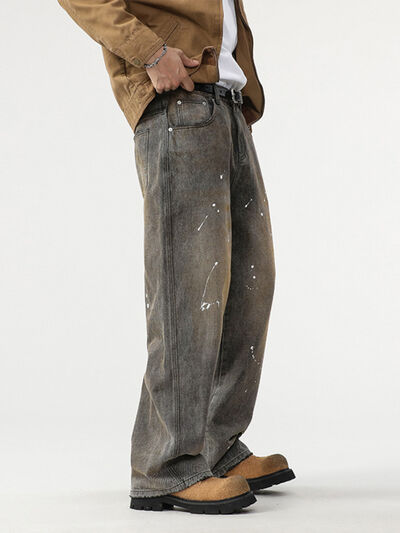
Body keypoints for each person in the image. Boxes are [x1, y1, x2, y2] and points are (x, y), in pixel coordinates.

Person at [57, 0, 295, 514]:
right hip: (179, 106)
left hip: (226, 105)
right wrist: (150, 53)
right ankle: (165, 465)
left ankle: (215, 445)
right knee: (188, 290)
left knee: (250, 285)